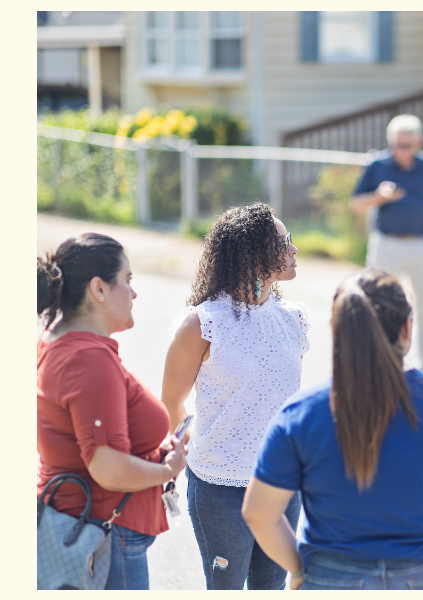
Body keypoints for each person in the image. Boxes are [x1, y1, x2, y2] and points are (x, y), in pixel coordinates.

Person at [241, 269, 423, 590]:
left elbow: (259, 513)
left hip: (331, 578)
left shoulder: (299, 416)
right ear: (407, 328)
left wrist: (301, 569)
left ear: (338, 330)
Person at [161, 203, 309, 590]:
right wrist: (206, 446)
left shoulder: (293, 319)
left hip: (280, 483)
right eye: (284, 242)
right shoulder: (202, 323)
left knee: (272, 588)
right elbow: (172, 403)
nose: (294, 249)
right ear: (253, 255)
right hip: (220, 488)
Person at [37, 233, 187, 590]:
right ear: (99, 289)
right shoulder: (88, 358)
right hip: (103, 539)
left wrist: (152, 453)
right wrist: (167, 468)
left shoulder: (57, 339)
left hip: (89, 529)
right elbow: (108, 468)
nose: (134, 293)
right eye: (128, 280)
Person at [350, 114, 423, 375]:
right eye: (396, 144)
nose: (400, 151)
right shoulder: (377, 165)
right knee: (375, 304)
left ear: (419, 142)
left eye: (406, 145)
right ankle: (376, 364)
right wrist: (380, 197)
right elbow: (356, 204)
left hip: (421, 245)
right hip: (387, 244)